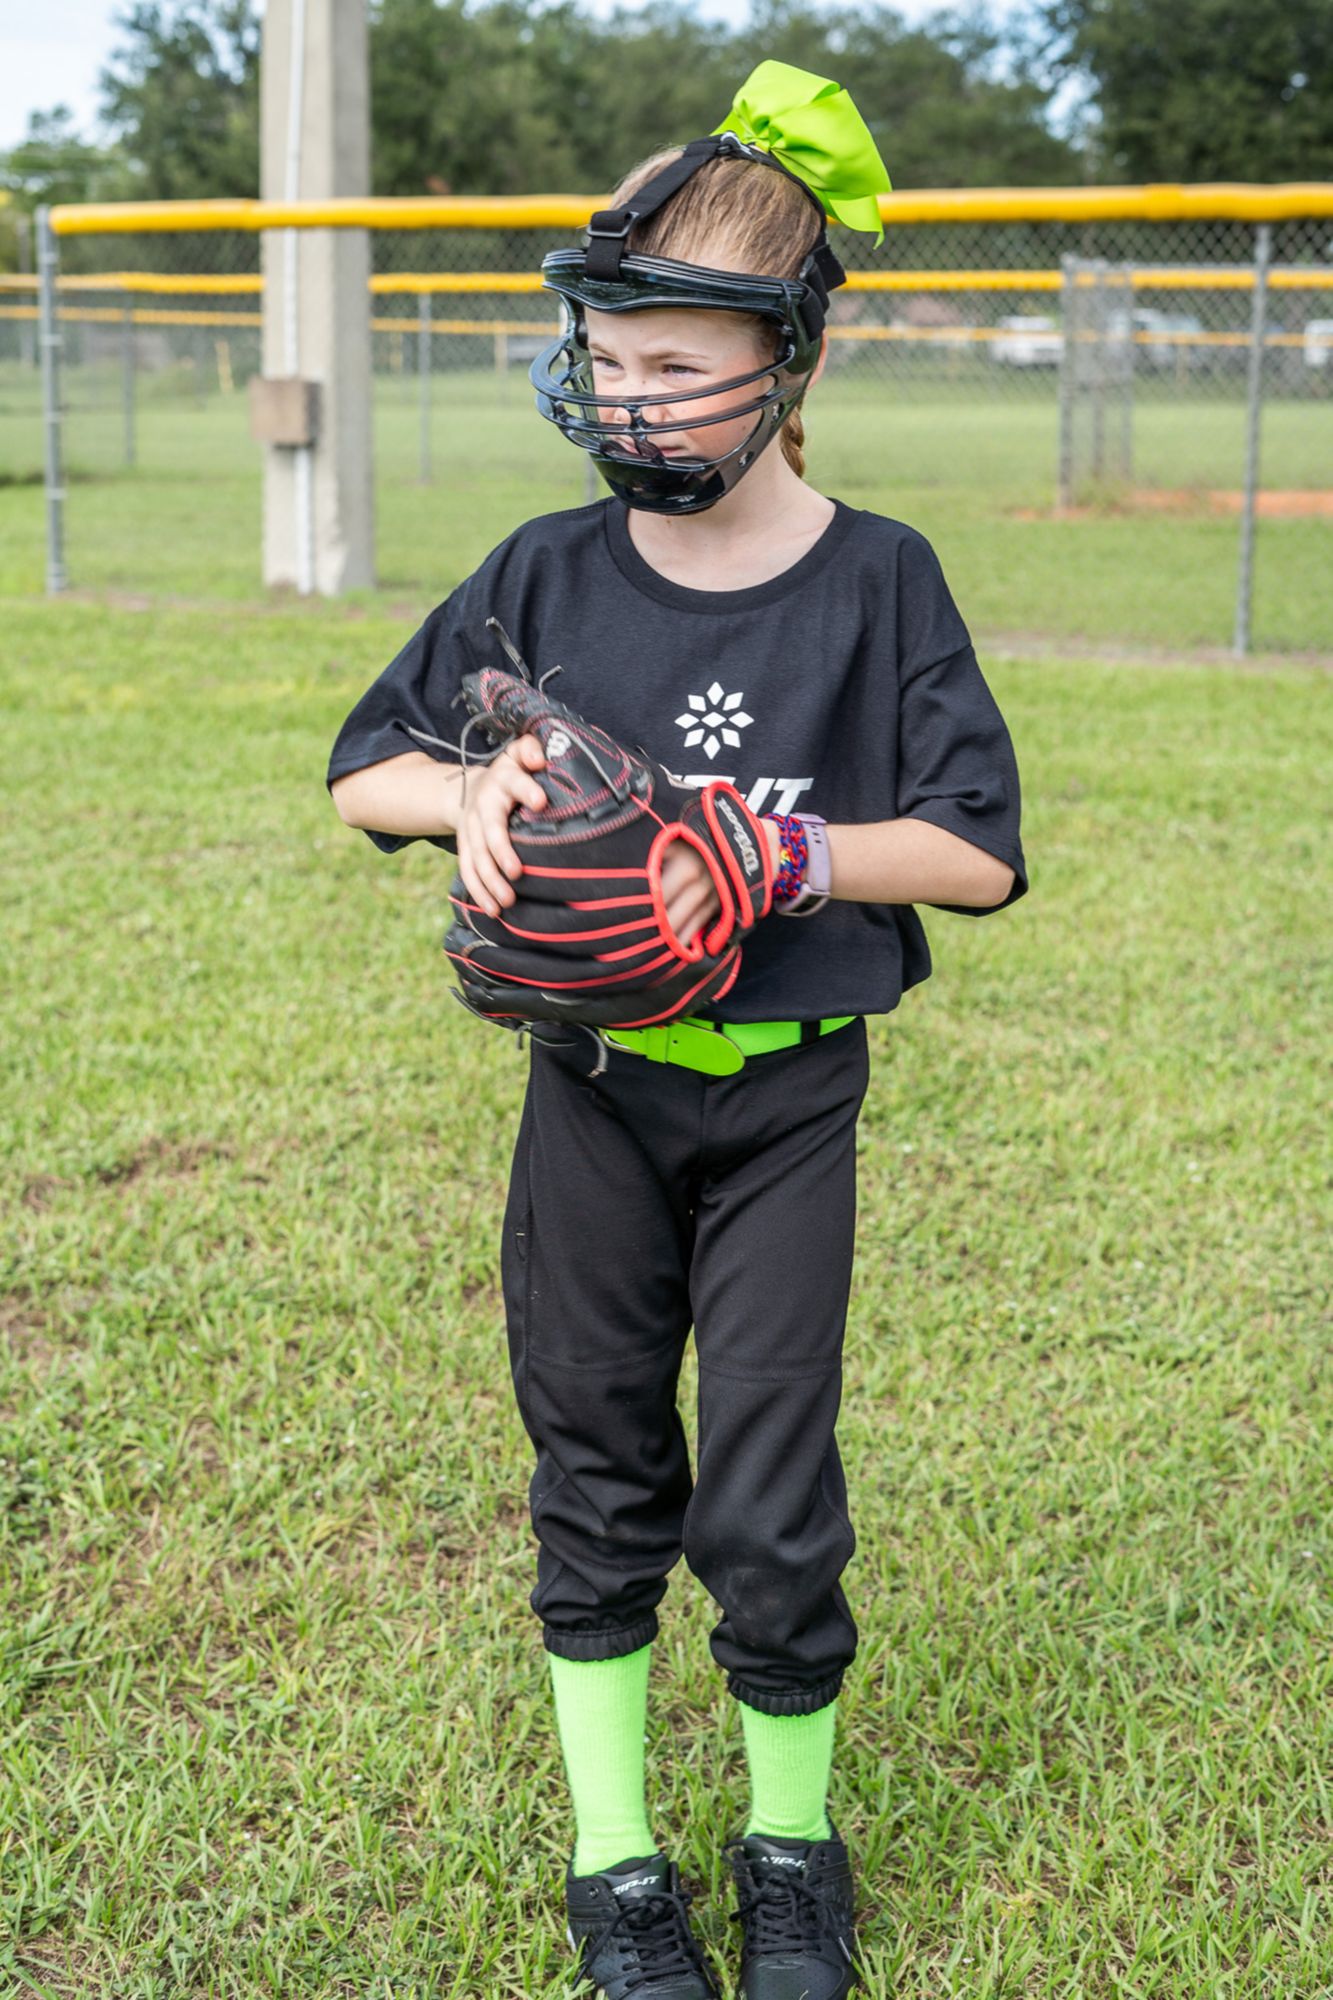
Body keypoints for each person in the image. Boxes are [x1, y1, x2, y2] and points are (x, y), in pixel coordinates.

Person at [328, 60, 1028, 2000]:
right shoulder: (552, 569)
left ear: (791, 358)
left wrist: (775, 846)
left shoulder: (878, 582)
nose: (622, 392)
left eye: (670, 358)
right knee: (599, 1463)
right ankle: (618, 1867)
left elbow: (971, 850)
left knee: (772, 1490)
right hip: (594, 1101)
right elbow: (362, 765)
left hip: (791, 1107)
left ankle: (788, 1847)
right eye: (604, 352)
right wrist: (461, 801)